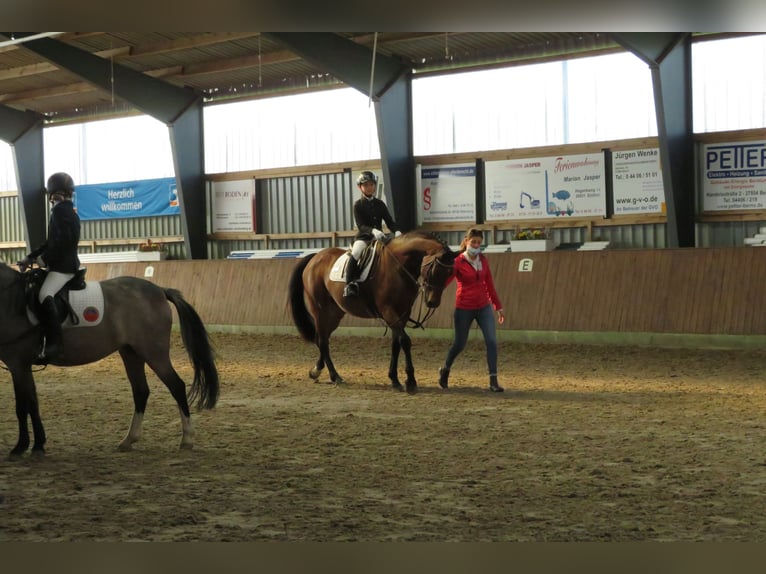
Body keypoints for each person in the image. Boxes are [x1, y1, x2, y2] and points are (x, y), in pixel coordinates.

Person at [19, 172, 81, 362]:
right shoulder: (63, 210)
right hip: (60, 265)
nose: (52, 197)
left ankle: (54, 343)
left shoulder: (62, 211)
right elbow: (51, 241)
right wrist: (31, 257)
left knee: (44, 294)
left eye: (53, 194)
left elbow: (63, 243)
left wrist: (44, 260)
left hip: (63, 268)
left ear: (54, 194)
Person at [438, 228, 505, 392]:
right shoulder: (458, 262)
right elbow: (446, 281)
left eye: (479, 243)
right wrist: (434, 292)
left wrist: (498, 306)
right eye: (473, 242)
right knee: (460, 344)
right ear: (466, 241)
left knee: (491, 341)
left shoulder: (483, 260)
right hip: (464, 308)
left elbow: (489, 284)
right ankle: (445, 369)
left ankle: (493, 380)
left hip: (483, 307)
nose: (476, 245)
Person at [344, 170, 401, 297]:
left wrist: (396, 231)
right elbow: (361, 226)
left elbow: (390, 221)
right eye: (366, 185)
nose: (369, 188)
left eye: (371, 185)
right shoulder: (358, 205)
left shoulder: (380, 204)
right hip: (364, 238)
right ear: (360, 187)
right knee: (357, 252)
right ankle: (349, 284)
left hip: (380, 238)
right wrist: (373, 230)